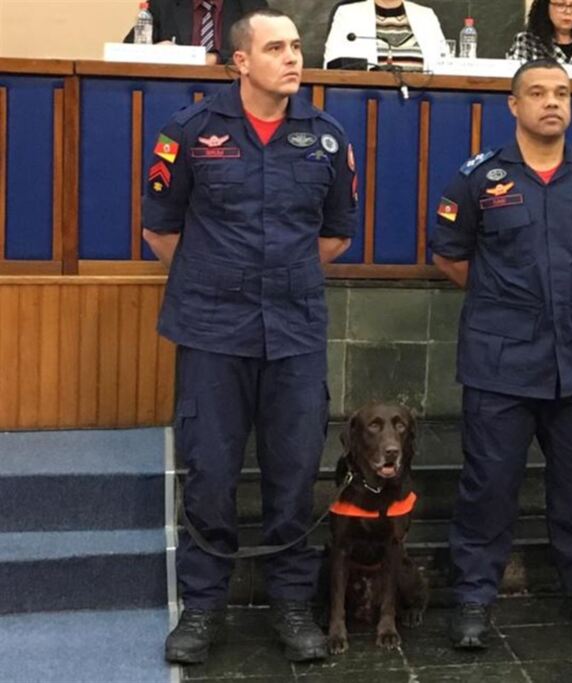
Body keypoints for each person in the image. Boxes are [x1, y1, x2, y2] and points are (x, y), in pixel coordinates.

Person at [142, 8, 357, 665]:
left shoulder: (325, 138)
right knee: (209, 475)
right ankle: (202, 610)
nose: (292, 58)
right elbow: (161, 230)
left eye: (296, 46)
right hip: (213, 333)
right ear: (240, 61)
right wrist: (221, 280)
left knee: (293, 475)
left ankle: (291, 606)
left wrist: (276, 278)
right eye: (275, 48)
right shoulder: (190, 132)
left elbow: (336, 234)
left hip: (292, 333)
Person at [430, 59, 572, 649]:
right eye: (538, 93)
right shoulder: (479, 178)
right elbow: (450, 255)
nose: (553, 103)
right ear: (514, 106)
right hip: (501, 361)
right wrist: (507, 301)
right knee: (488, 486)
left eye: (563, 94)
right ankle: (472, 600)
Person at [124, 0, 268, 65]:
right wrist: (156, 53)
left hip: (234, 96)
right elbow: (128, 51)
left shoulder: (251, 5)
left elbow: (263, 53)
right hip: (173, 94)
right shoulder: (163, 4)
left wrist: (217, 59)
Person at [322, 0, 446, 70]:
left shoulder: (426, 16)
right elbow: (332, 67)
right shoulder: (348, 14)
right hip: (365, 101)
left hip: (421, 103)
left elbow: (444, 66)